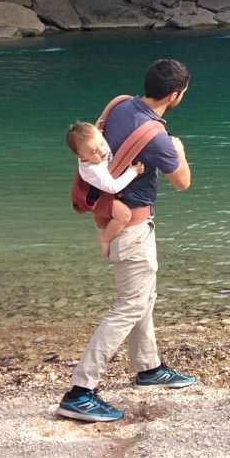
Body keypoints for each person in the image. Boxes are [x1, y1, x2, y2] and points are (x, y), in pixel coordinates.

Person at [57, 59, 195, 423]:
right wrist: (179, 149)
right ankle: (80, 391)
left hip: (122, 221)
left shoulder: (119, 106)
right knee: (129, 305)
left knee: (143, 298)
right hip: (131, 229)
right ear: (175, 95)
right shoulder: (157, 137)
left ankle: (148, 368)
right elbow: (183, 183)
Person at [65, 121, 145, 257]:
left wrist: (96, 129)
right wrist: (132, 172)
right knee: (124, 215)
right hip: (98, 200)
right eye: (94, 151)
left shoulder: (93, 149)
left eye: (102, 143)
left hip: (101, 189)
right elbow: (113, 188)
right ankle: (105, 239)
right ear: (82, 157)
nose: (102, 151)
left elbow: (94, 140)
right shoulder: (94, 170)